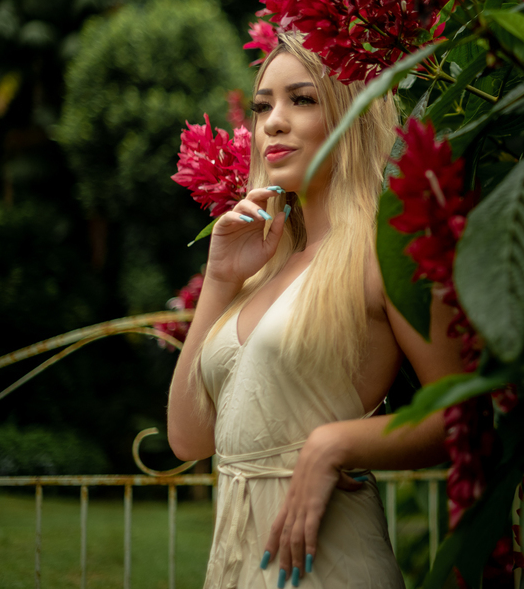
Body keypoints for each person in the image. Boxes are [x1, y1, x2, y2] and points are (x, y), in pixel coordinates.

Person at [167, 33, 465, 589]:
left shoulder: (387, 249)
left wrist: (335, 445)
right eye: (263, 106)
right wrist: (221, 277)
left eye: (301, 100)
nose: (272, 122)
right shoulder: (261, 270)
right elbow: (188, 439)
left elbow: (460, 417)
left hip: (332, 567)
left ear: (351, 116)